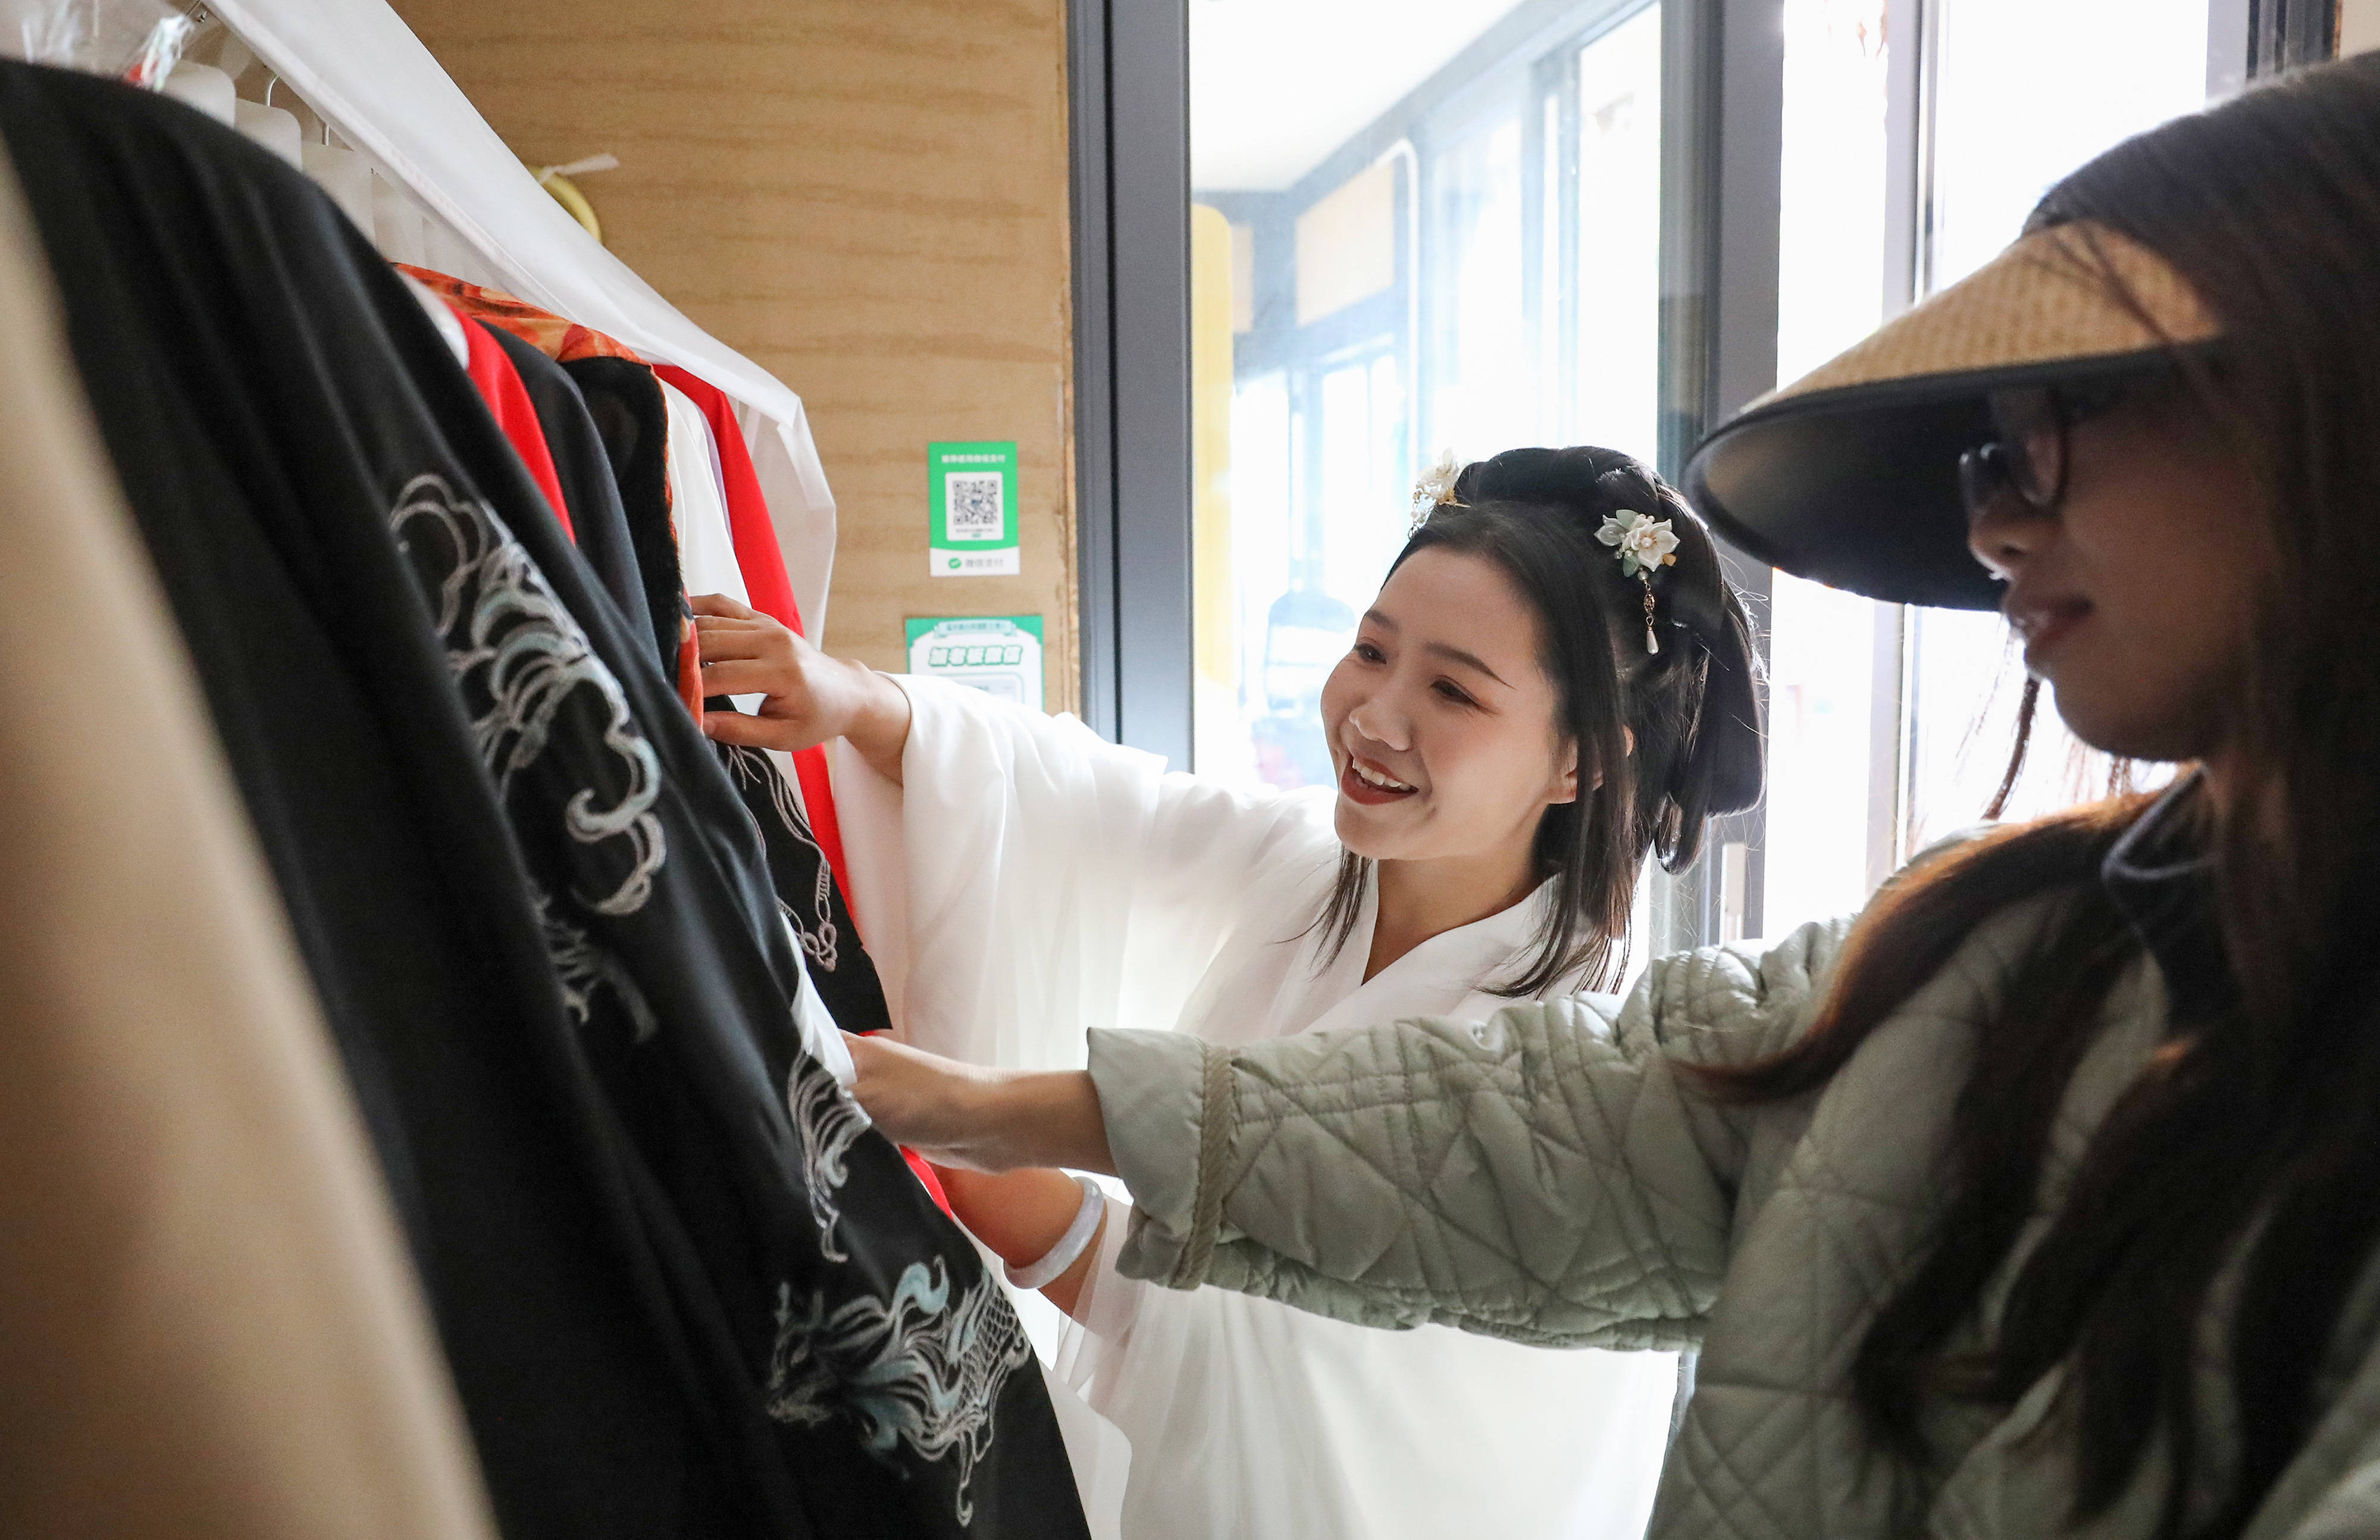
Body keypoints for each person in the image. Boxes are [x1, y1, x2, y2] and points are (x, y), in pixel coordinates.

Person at [841, 54, 2380, 1540]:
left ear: (2319, 426)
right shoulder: (1992, 939)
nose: (1993, 527)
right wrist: (979, 1075)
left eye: (2054, 446)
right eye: (1990, 460)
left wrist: (1023, 1167)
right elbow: (1530, 1135)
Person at [691, 446, 1763, 1539]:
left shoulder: (1569, 1065)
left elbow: (1337, 1387)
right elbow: (1098, 809)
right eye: (1371, 650)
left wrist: (1011, 1182)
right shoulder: (1314, 869)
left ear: (1584, 761)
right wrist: (859, 701)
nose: (1373, 716)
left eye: (1452, 690)